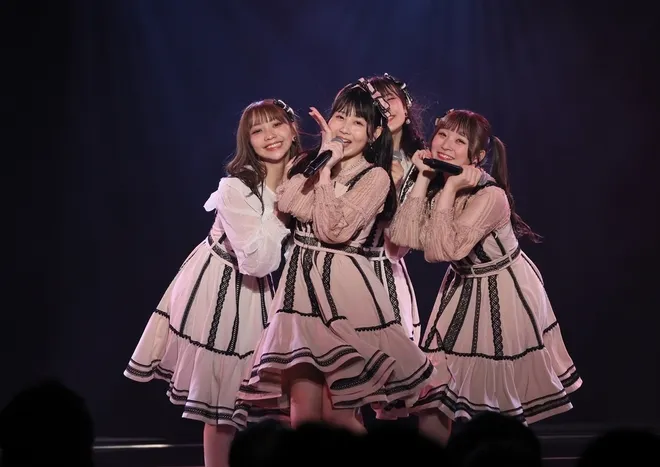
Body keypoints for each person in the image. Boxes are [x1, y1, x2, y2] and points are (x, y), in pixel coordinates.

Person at [236, 78, 434, 434]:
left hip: (344, 291)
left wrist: (324, 175)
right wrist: (322, 165)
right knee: (303, 408)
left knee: (340, 414)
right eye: (340, 117)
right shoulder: (306, 161)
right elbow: (288, 201)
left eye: (358, 122)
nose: (344, 128)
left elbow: (334, 231)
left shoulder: (375, 178)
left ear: (374, 134)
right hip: (300, 292)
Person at [388, 109, 582, 445]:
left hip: (504, 290)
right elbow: (402, 240)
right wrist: (422, 178)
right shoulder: (437, 183)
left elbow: (444, 251)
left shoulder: (491, 196)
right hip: (462, 285)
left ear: (476, 157)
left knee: (501, 402)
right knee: (434, 396)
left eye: (459, 141)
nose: (446, 145)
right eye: (443, 135)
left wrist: (449, 188)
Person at [124, 99, 300, 467]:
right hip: (224, 285)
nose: (270, 135)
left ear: (292, 129)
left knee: (285, 397)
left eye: (276, 124)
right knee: (222, 405)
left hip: (269, 289)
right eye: (258, 130)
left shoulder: (303, 181)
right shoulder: (235, 188)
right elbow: (256, 260)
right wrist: (283, 205)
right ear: (247, 141)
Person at [366, 73, 425, 342]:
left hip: (386, 272)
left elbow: (397, 249)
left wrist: (397, 189)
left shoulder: (421, 165)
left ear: (406, 105)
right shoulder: (356, 156)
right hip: (343, 269)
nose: (385, 107)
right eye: (376, 103)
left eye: (390, 99)